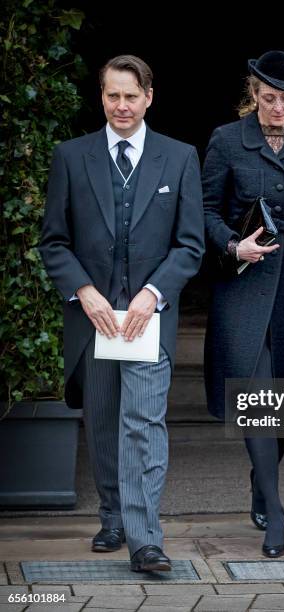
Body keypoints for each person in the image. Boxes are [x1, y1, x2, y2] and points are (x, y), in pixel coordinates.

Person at [39, 55, 204, 573]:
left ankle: (145, 538)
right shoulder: (72, 156)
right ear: (102, 97)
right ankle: (112, 514)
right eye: (113, 95)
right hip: (94, 323)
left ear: (149, 97)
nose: (122, 106)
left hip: (147, 319)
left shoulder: (179, 158)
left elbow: (190, 245)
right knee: (105, 421)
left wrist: (153, 292)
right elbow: (54, 242)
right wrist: (84, 292)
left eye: (131, 96)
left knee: (143, 423)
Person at [202, 50, 284, 557]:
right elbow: (206, 208)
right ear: (253, 94)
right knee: (255, 396)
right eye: (269, 98)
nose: (278, 108)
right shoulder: (225, 140)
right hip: (243, 281)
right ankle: (276, 512)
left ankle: (262, 479)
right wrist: (234, 246)